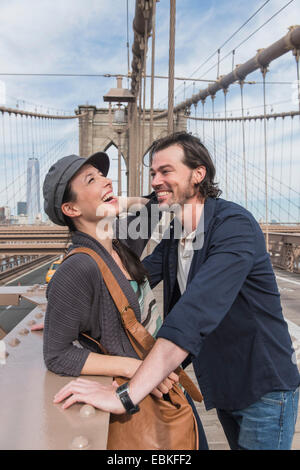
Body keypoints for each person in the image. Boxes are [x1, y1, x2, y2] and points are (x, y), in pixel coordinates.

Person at [54, 132, 300, 451]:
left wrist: (125, 396)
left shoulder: (234, 226)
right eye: (153, 173)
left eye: (166, 171)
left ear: (198, 174)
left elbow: (194, 313)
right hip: (223, 382)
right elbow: (137, 273)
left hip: (263, 387)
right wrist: (68, 306)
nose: (156, 180)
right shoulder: (180, 230)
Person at [42, 150, 208, 450]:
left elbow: (157, 201)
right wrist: (136, 369)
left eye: (103, 175)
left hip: (162, 382)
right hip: (139, 401)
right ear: (71, 208)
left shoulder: (119, 239)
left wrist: (119, 203)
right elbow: (56, 354)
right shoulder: (79, 267)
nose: (106, 181)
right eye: (91, 179)